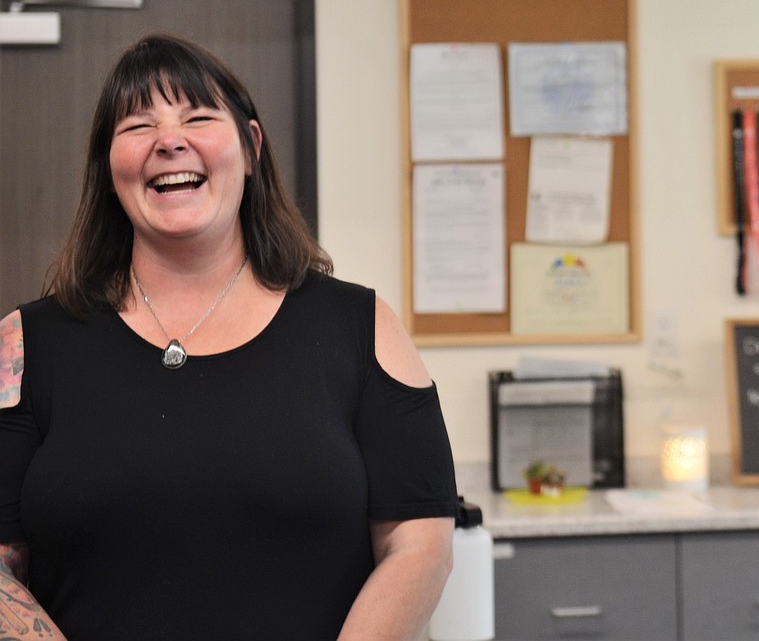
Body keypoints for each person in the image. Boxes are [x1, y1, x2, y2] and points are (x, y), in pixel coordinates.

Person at [0, 34, 460, 639]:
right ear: (108, 168)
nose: (170, 140)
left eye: (198, 117)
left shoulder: (360, 326)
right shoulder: (26, 343)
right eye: (138, 126)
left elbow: (419, 544)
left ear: (251, 149)